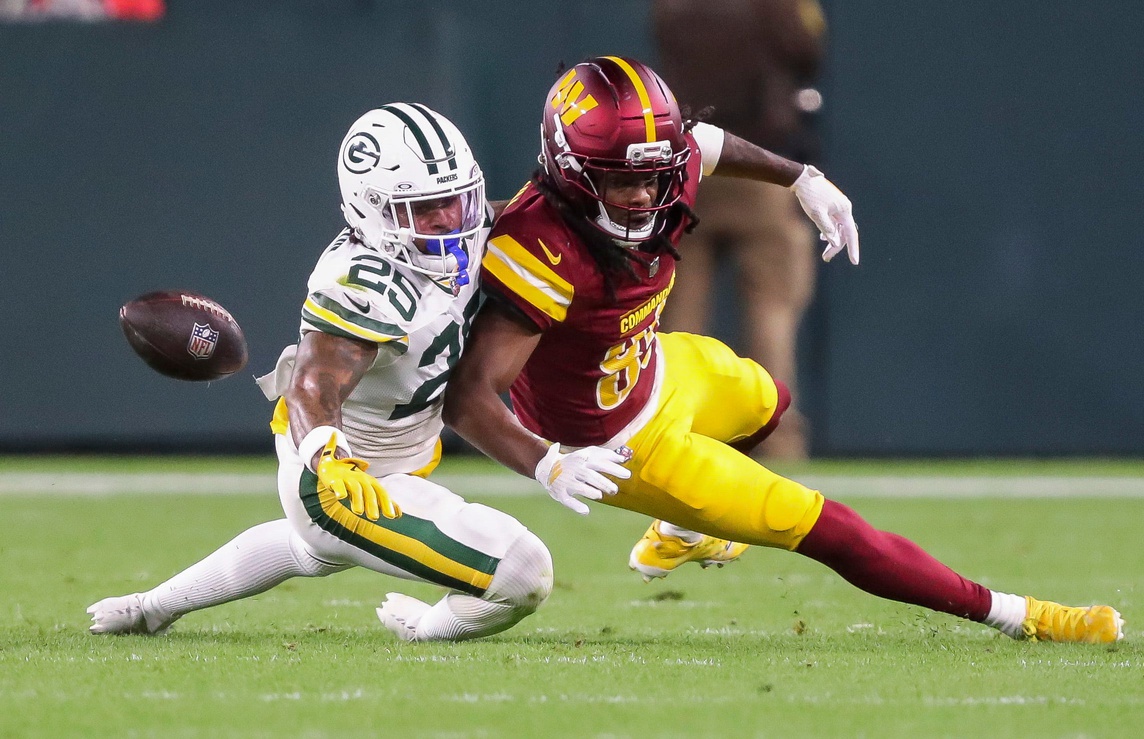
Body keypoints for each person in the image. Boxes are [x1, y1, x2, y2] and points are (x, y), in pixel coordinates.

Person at [441, 57, 1123, 644]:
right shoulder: (540, 247)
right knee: (829, 527)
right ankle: (1021, 615)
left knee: (770, 402)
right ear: (570, 172)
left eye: (654, 176)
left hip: (656, 367)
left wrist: (802, 178)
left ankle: (683, 531)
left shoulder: (663, 166)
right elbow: (468, 396)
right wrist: (547, 462)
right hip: (617, 441)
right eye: (622, 180)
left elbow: (704, 142)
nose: (645, 194)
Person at [87, 105, 553, 642]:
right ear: (372, 211)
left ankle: (149, 609)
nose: (450, 219)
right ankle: (425, 631)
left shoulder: (466, 226)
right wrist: (329, 456)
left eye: (457, 198)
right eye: (424, 208)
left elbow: (522, 218)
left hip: (398, 455)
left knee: (308, 550)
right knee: (522, 572)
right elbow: (314, 381)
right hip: (335, 472)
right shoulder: (362, 282)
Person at [653, 0, 827, 459]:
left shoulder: (673, 6)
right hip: (759, 165)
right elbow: (805, 49)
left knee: (676, 314)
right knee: (772, 311)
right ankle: (775, 436)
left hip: (687, 166)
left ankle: (666, 429)